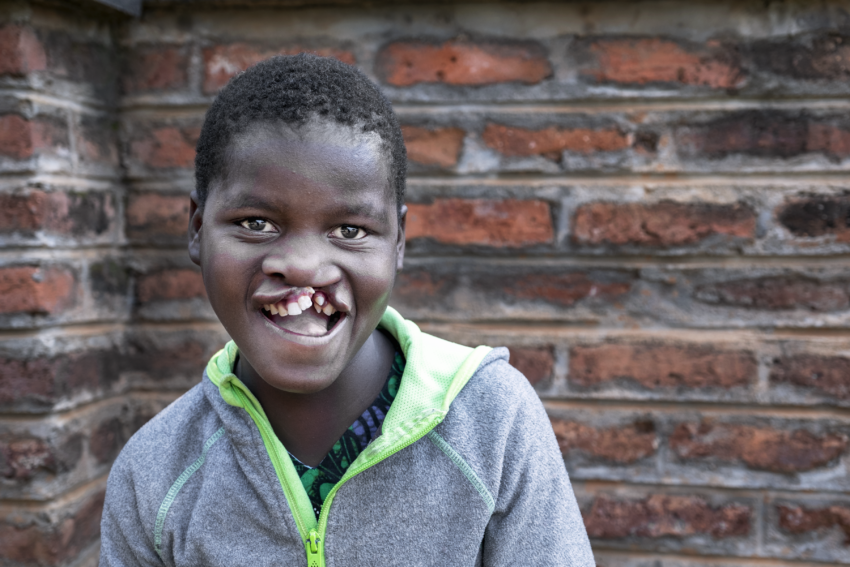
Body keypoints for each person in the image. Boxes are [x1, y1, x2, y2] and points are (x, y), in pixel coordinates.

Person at [99, 54, 594, 567]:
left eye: (350, 231)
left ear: (398, 241)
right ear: (198, 229)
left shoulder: (492, 422)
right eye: (256, 223)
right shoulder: (154, 475)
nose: (303, 266)